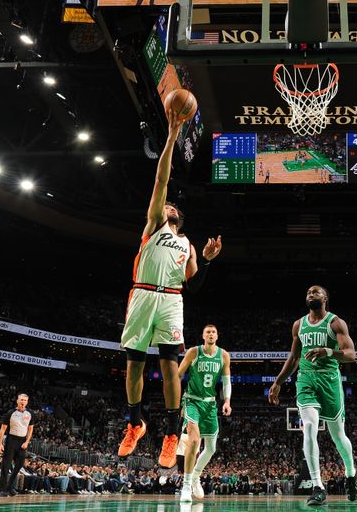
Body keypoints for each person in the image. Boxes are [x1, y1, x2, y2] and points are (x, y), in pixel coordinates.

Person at [119, 107, 222, 468]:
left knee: (169, 367)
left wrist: (206, 260)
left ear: (180, 218)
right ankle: (135, 423)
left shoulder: (188, 244)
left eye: (172, 206)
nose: (168, 204)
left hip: (172, 300)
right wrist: (173, 135)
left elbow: (194, 287)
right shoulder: (153, 226)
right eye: (166, 204)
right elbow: (161, 182)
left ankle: (171, 431)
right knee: (134, 365)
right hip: (143, 293)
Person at [269, 286, 357, 506]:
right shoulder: (299, 325)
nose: (311, 294)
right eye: (308, 292)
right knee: (309, 427)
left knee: (338, 436)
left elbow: (351, 355)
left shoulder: (335, 323)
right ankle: (318, 486)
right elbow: (294, 357)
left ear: (325, 298)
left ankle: (351, 474)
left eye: (316, 292)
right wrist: (278, 382)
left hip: (329, 379)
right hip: (306, 378)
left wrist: (327, 351)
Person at [178, 324, 232, 502]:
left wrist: (227, 401)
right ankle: (186, 486)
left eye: (213, 332)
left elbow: (226, 381)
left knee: (211, 448)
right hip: (192, 400)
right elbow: (178, 375)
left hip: (210, 404)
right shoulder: (194, 352)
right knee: (194, 441)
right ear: (203, 335)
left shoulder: (223, 355)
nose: (211, 334)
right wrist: (177, 401)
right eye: (208, 332)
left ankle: (195, 476)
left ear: (217, 336)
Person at [0, 393, 34, 497]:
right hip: (11, 440)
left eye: (25, 400)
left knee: (19, 465)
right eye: (21, 400)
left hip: (22, 441)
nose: (23, 402)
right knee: (6, 465)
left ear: (27, 402)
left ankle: (9, 487)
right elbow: (3, 429)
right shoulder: (10, 413)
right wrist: (0, 444)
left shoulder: (30, 413)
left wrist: (27, 442)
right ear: (17, 401)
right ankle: (1, 489)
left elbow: (30, 429)